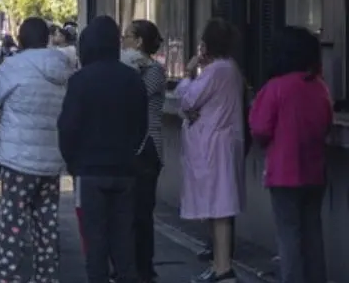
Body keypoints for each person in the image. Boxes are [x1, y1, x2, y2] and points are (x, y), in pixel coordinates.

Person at [57, 16, 147, 283]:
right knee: (124, 240)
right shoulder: (132, 78)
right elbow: (141, 124)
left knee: (95, 241)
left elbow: (67, 127)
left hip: (89, 170)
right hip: (125, 168)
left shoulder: (80, 80)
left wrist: (73, 163)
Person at [0, 17, 73, 281]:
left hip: (18, 160)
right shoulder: (62, 68)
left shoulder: (14, 66)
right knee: (47, 223)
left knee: (12, 222)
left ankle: (8, 275)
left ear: (20, 39)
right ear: (47, 38)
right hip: (51, 158)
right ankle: (47, 276)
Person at [249, 25, 332, 283]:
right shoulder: (320, 87)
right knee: (312, 233)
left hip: (284, 172)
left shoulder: (275, 87)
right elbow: (326, 123)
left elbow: (260, 129)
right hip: (314, 171)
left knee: (289, 237)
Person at [175, 18, 246, 283]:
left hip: (212, 146)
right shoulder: (231, 69)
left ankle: (222, 267)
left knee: (218, 208)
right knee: (218, 206)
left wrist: (187, 74)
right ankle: (219, 265)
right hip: (222, 144)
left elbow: (188, 99)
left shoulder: (216, 71)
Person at [119, 20, 168, 282]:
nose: (123, 40)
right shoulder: (127, 68)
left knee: (141, 212)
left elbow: (134, 95)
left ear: (139, 42)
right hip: (128, 146)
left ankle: (143, 268)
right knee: (125, 212)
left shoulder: (154, 71)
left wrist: (130, 69)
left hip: (148, 147)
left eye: (127, 36)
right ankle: (127, 266)